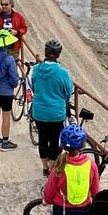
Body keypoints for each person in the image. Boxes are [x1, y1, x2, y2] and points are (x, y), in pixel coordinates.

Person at [29, 39, 74, 176]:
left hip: (39, 111)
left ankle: (44, 168)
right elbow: (68, 92)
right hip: (56, 113)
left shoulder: (36, 69)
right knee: (54, 141)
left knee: (43, 139)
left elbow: (34, 86)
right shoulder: (63, 72)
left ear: (45, 52)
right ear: (58, 54)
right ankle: (52, 168)